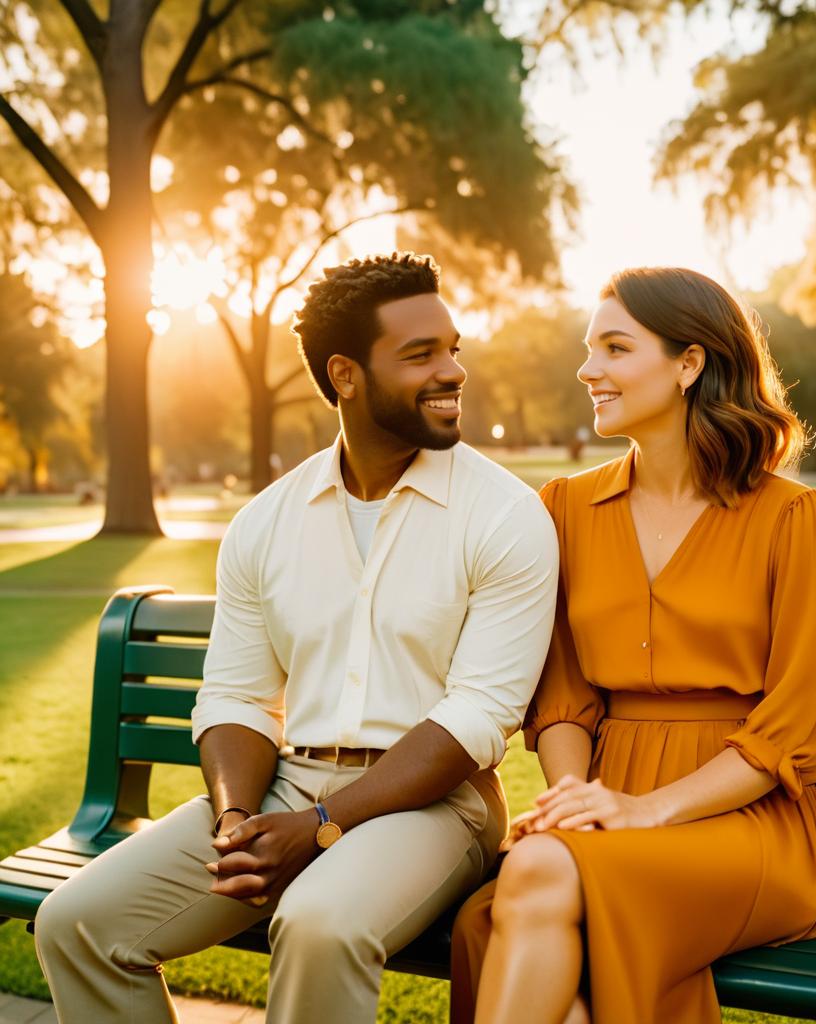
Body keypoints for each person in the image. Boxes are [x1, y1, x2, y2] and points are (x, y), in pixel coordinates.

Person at [33, 252, 559, 1023]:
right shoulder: (267, 522)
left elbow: (477, 716)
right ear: (345, 376)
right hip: (287, 787)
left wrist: (321, 827)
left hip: (438, 807)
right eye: (420, 355)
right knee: (78, 924)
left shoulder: (506, 518)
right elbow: (237, 696)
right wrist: (237, 818)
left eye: (453, 348)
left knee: (317, 923)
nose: (453, 371)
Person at [450, 266, 816, 1024]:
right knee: (535, 902)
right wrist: (578, 800)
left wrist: (649, 812)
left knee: (532, 880)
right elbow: (563, 694)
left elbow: (797, 727)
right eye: (589, 347)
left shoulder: (795, 520)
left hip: (749, 822)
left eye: (614, 347)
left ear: (689, 364)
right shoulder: (566, 508)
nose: (587, 369)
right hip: (606, 794)